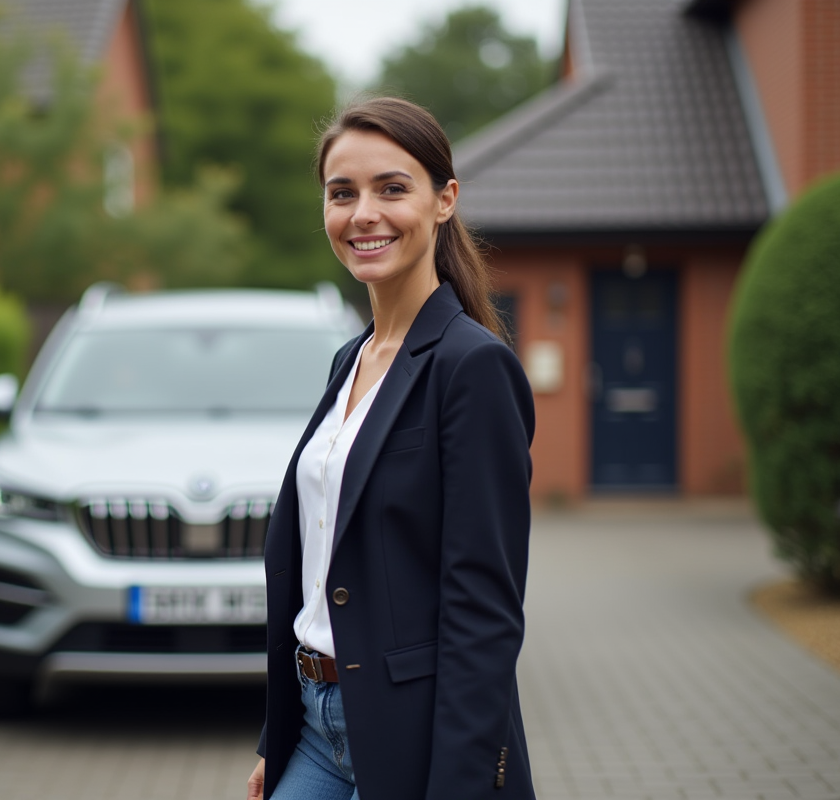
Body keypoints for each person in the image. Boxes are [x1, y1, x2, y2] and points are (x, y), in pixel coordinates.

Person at [246, 96, 537, 800]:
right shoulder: (349, 360)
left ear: (444, 201)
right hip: (314, 727)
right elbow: (318, 566)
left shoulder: (471, 368)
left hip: (415, 737)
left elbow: (484, 613)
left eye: (392, 188)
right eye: (341, 193)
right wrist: (275, 739)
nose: (362, 214)